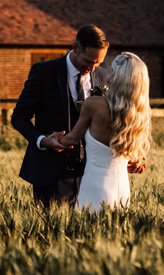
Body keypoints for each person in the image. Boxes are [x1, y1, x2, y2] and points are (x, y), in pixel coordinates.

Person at [11, 25, 113, 205]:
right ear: (74, 48)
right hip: (51, 173)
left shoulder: (104, 77)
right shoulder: (44, 72)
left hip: (93, 173)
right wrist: (42, 140)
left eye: (98, 63)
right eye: (88, 61)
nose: (92, 67)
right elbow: (19, 116)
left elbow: (113, 122)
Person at [59, 51, 151, 211]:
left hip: (95, 186)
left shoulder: (94, 105)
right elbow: (134, 157)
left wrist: (47, 139)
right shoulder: (139, 113)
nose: (105, 69)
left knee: (86, 233)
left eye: (110, 67)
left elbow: (72, 139)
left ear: (115, 74)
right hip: (122, 188)